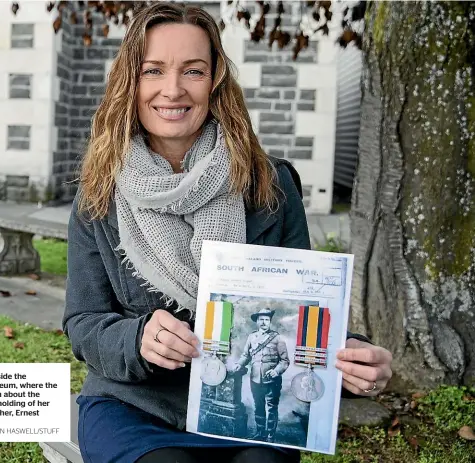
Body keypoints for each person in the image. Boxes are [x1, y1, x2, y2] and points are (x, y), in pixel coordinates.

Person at [63, 3, 394, 463]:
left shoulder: (271, 185)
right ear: (130, 83)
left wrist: (350, 356)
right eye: (153, 70)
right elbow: (84, 323)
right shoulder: (99, 193)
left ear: (216, 81)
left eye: (193, 71)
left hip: (249, 412)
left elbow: (300, 310)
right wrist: (137, 340)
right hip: (134, 405)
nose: (172, 89)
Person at [233, 308, 289, 443]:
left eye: (266, 320)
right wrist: (239, 364)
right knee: (258, 406)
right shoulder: (252, 337)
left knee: (271, 407)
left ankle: (270, 435)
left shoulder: (277, 338)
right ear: (257, 322)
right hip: (255, 378)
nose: (264, 322)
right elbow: (246, 355)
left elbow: (285, 360)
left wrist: (276, 371)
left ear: (270, 322)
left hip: (272, 380)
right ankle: (260, 433)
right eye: (261, 320)